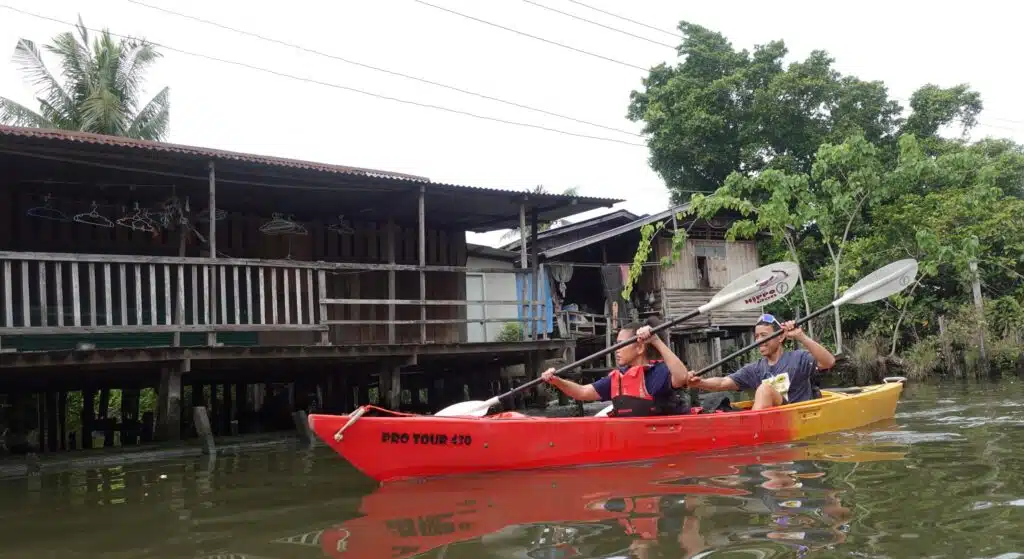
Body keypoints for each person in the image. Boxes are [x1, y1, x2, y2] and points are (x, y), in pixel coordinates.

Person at [540, 317, 692, 417]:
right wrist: (557, 381)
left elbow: (682, 377)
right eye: (616, 345)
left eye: (622, 345)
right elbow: (583, 392)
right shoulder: (618, 379)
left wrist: (655, 340)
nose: (616, 350)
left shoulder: (659, 372)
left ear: (639, 348)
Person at [687, 314, 836, 410]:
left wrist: (801, 336)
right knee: (715, 402)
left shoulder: (799, 358)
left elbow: (828, 362)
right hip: (773, 421)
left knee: (764, 389)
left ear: (780, 337)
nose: (759, 341)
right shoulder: (755, 369)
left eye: (764, 335)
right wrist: (699, 382)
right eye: (757, 336)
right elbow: (722, 383)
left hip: (797, 416)